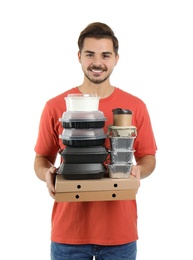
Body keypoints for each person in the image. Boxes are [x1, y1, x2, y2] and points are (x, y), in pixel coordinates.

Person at [34, 22, 157, 260]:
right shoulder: (56, 106)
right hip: (69, 234)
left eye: (105, 55)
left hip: (119, 234)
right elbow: (41, 158)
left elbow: (148, 157)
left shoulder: (135, 107)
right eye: (90, 54)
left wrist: (139, 169)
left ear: (116, 59)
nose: (97, 62)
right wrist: (47, 172)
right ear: (79, 56)